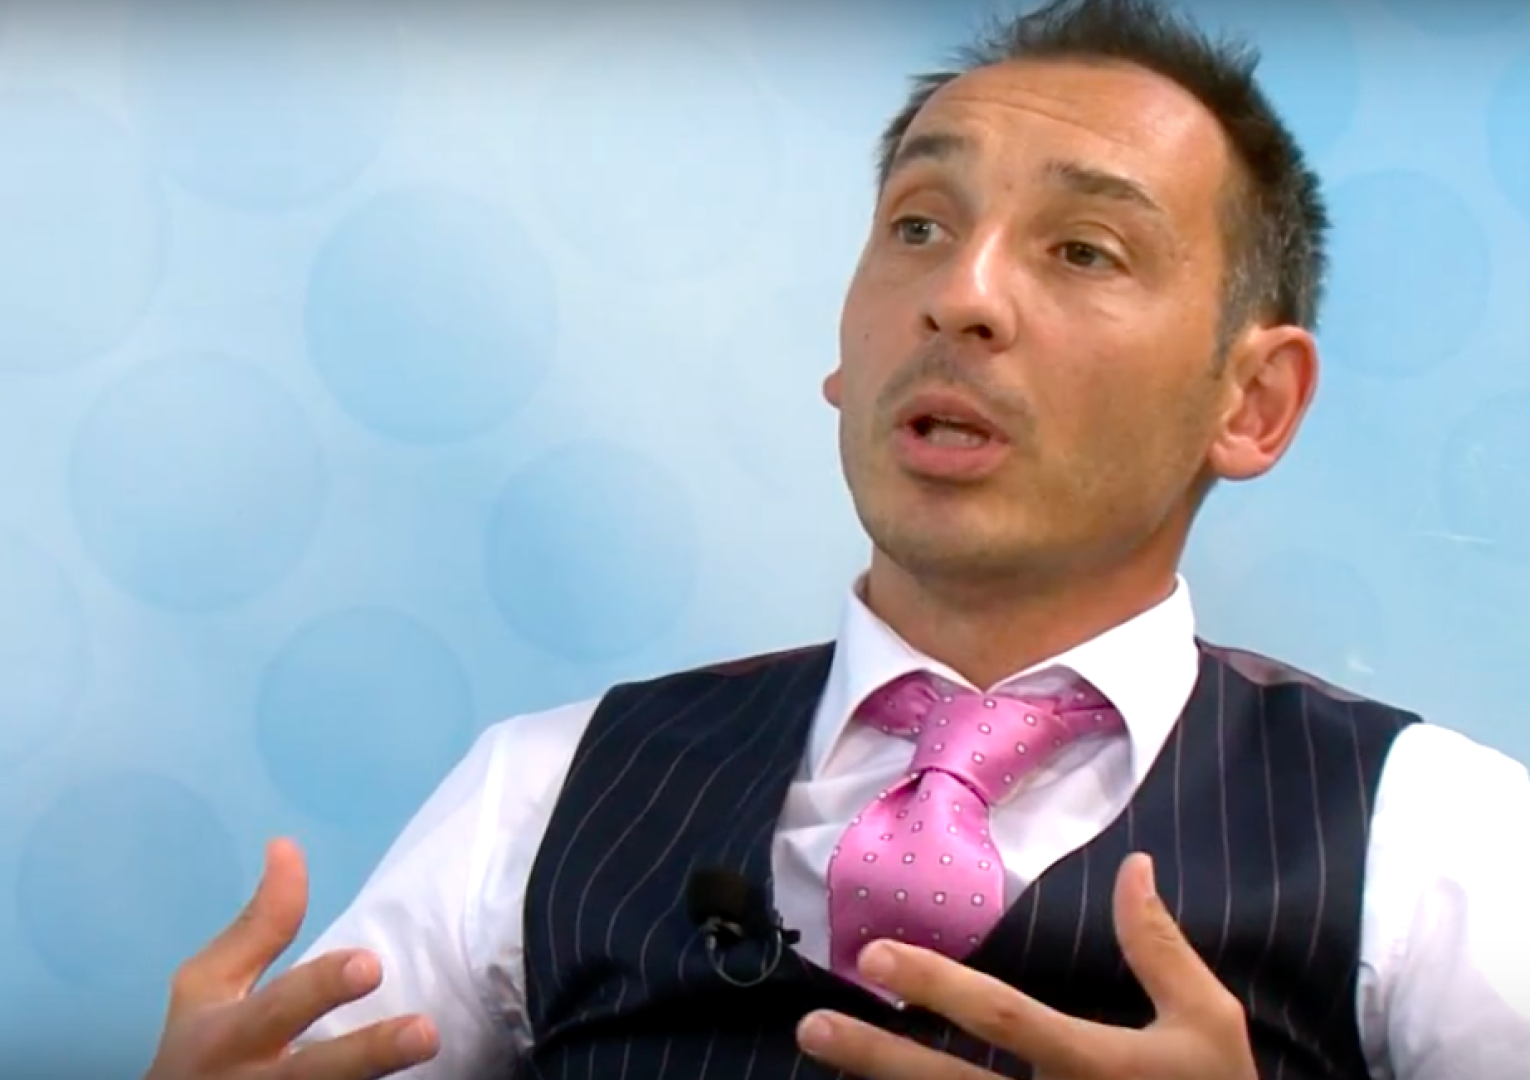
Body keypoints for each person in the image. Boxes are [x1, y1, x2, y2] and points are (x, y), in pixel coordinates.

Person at [143, 0, 1530, 1077]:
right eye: (919, 226)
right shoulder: (544, 797)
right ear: (844, 354)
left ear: (1253, 401)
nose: (962, 296)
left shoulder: (1433, 839)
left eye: (1082, 250)